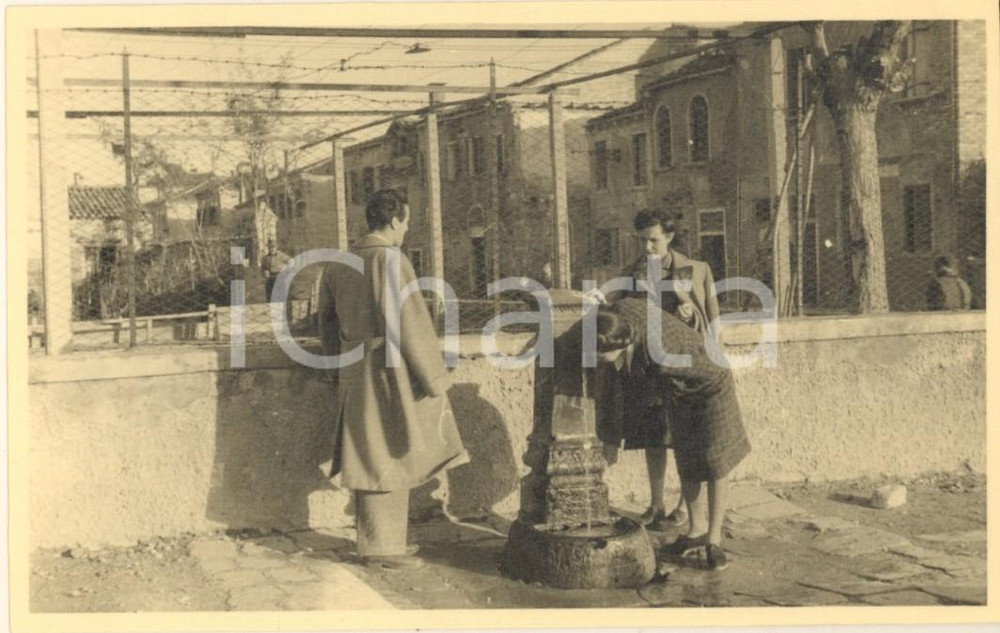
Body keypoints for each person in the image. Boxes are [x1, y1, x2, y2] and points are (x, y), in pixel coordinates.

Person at [317, 189, 468, 570]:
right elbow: (412, 322)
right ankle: (383, 549)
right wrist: (435, 378)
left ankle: (382, 542)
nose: (407, 229)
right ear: (396, 220)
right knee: (395, 449)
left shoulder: (338, 263)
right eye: (407, 222)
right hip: (392, 368)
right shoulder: (392, 260)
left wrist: (339, 368)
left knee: (369, 451)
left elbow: (326, 324)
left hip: (355, 368)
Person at [592, 297, 750, 571]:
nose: (595, 358)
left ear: (620, 344)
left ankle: (713, 540)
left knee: (714, 461)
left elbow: (633, 397)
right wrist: (610, 440)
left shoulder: (658, 357)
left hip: (711, 381)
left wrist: (612, 442)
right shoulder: (615, 316)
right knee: (687, 456)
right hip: (678, 388)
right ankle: (695, 531)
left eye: (600, 354)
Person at [590, 209, 720, 532]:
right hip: (646, 369)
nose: (647, 247)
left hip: (682, 367)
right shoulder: (634, 269)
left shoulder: (697, 270)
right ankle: (656, 503)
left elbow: (711, 323)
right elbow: (612, 304)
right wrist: (597, 298)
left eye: (653, 240)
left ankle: (684, 508)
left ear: (670, 236)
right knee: (653, 437)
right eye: (642, 241)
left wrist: (690, 315)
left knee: (686, 440)